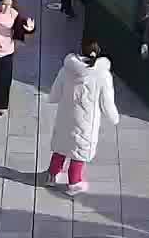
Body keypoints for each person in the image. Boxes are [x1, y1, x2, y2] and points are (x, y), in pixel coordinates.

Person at [46, 41, 119, 193]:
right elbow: (107, 102)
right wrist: (114, 118)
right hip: (87, 120)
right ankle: (74, 183)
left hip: (65, 115)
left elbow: (55, 93)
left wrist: (52, 98)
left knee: (61, 144)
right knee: (79, 150)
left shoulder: (67, 69)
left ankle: (52, 175)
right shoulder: (102, 75)